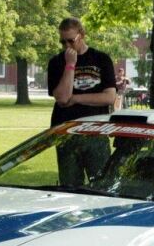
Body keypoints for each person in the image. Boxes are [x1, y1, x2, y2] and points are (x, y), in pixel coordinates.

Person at [47, 17, 116, 186]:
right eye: (63, 42)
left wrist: (76, 98)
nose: (67, 46)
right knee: (70, 185)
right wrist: (70, 65)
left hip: (96, 132)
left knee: (101, 185)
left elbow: (109, 97)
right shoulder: (56, 62)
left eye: (71, 41)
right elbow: (63, 98)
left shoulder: (101, 59)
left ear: (82, 35)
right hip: (66, 133)